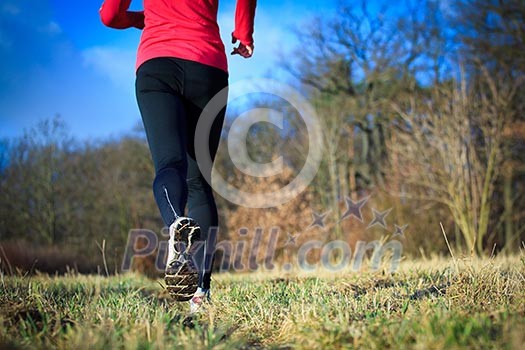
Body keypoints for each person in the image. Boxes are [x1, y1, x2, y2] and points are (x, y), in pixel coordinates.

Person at [99, 0, 256, 314]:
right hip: (208, 65)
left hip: (158, 65)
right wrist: (244, 34)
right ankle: (201, 291)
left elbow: (109, 14)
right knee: (199, 181)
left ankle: (175, 224)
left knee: (170, 163)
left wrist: (138, 19)